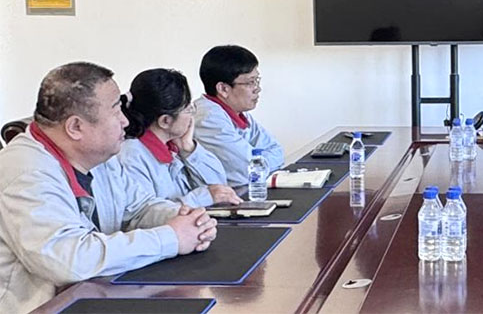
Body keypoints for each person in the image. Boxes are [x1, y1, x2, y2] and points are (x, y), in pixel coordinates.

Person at [0, 62, 217, 313]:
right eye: (116, 111)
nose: (125, 121)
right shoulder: (27, 171)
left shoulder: (100, 156)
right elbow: (69, 260)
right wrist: (171, 238)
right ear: (75, 127)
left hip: (96, 296)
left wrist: (185, 219)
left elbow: (139, 208)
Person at [117, 68, 242, 208]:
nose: (192, 115)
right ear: (165, 121)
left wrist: (189, 149)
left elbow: (220, 187)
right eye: (188, 109)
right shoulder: (132, 156)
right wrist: (202, 198)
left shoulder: (173, 147)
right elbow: (146, 213)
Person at [193, 45, 284, 185]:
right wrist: (261, 162)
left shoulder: (238, 112)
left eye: (257, 80)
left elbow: (277, 151)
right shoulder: (208, 119)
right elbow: (249, 171)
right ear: (223, 89)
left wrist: (261, 162)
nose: (257, 88)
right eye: (250, 82)